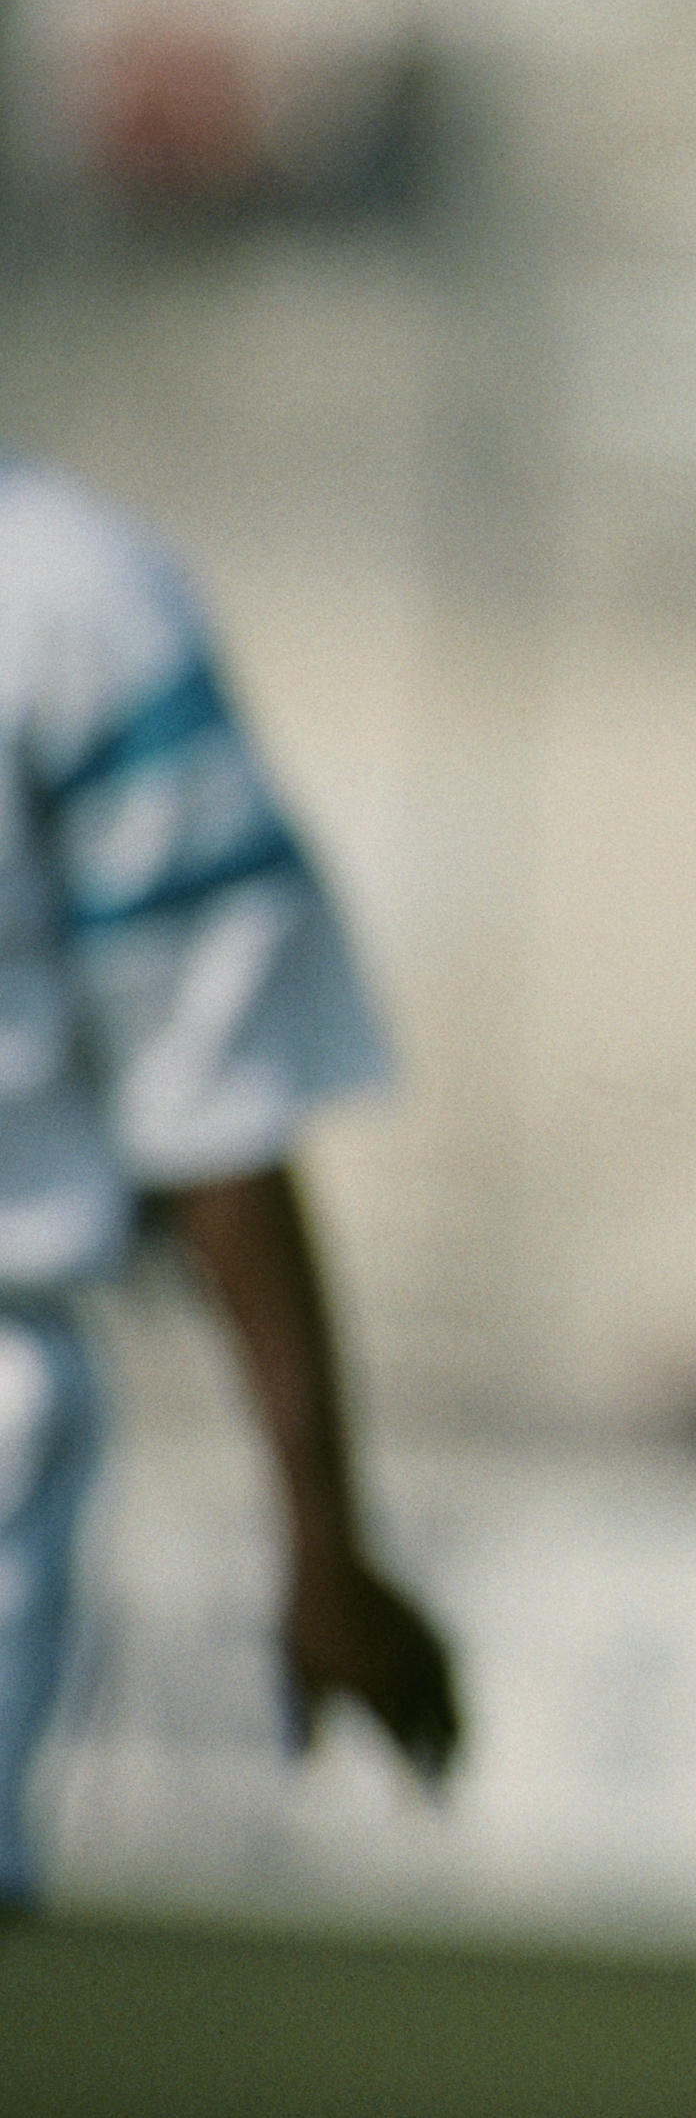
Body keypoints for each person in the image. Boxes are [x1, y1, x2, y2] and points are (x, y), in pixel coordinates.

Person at [1, 459, 459, 1920]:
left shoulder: (63, 603)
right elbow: (217, 1116)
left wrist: (323, 1538)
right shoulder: (69, 597)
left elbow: (211, 1113)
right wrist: (326, 1541)